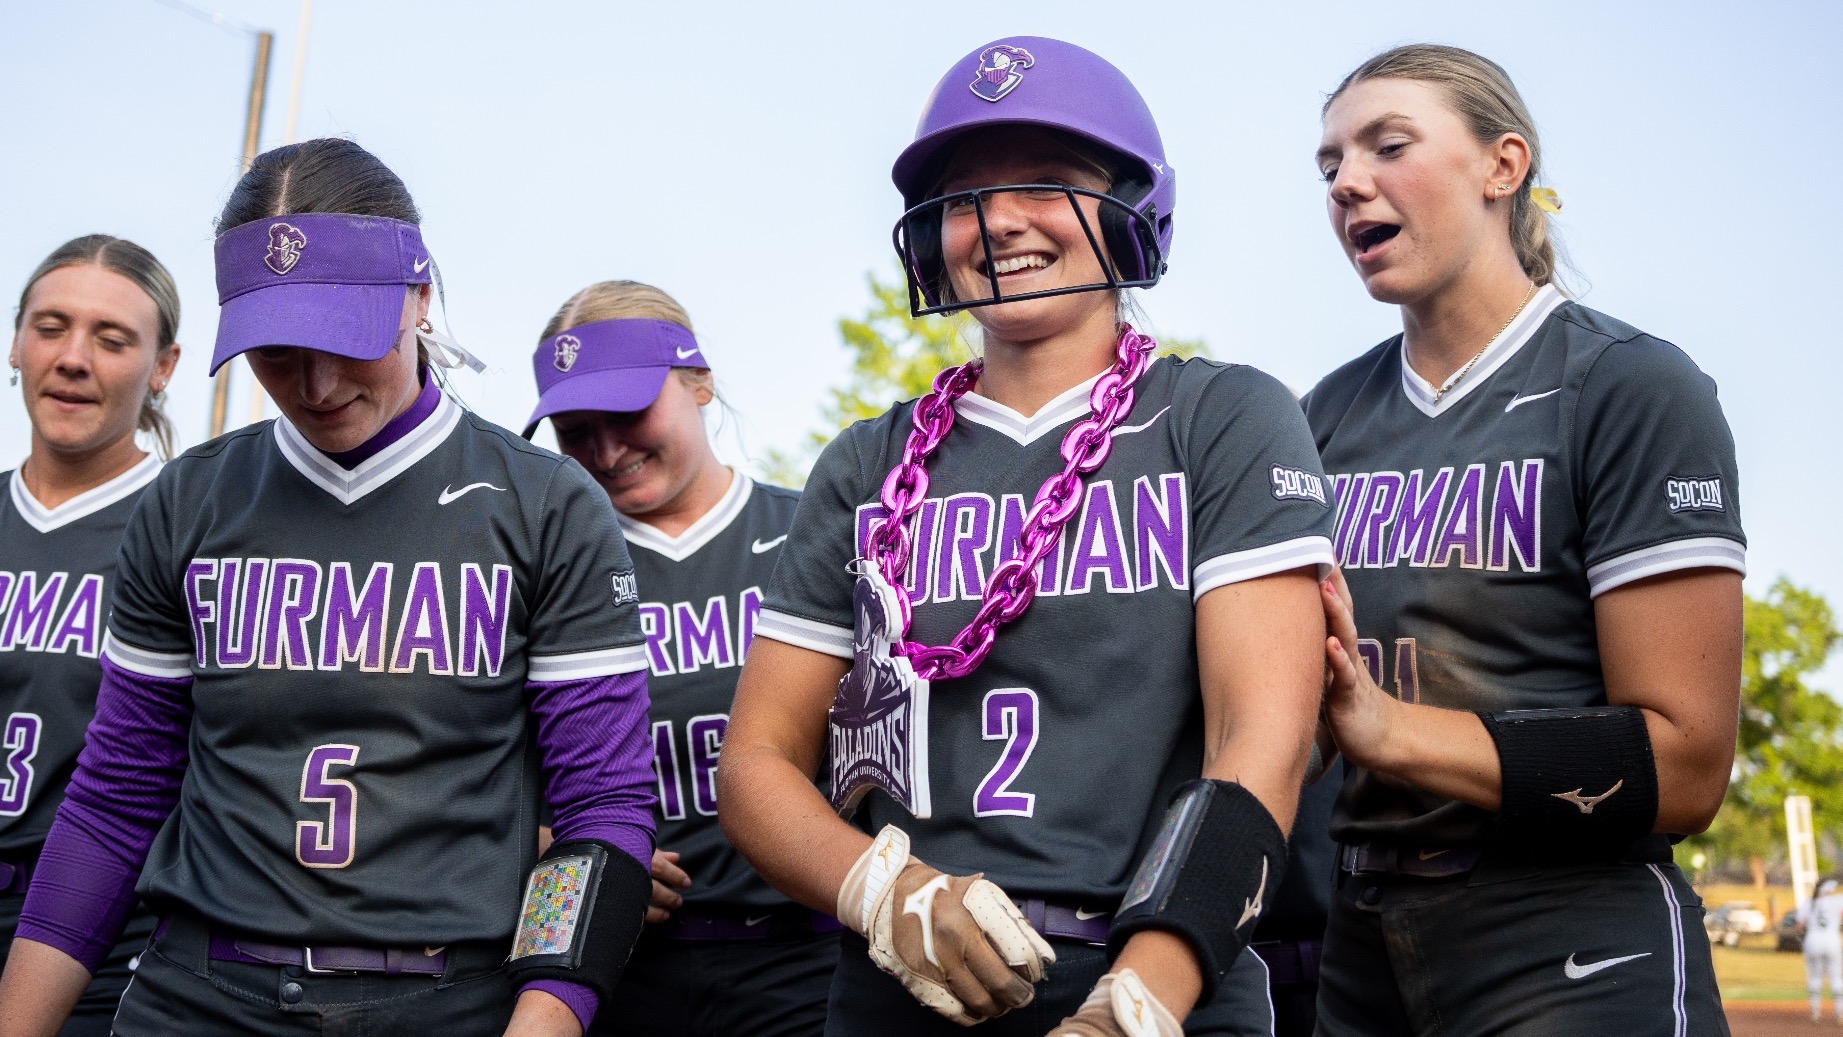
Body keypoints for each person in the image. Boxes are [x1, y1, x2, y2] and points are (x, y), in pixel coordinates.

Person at [719, 37, 1335, 1037]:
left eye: (1045, 183)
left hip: (1163, 965)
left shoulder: (1219, 417)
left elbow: (1259, 743)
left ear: (1134, 209)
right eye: (963, 198)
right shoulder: (863, 461)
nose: (998, 220)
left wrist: (1135, 1003)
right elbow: (756, 765)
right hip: (903, 983)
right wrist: (886, 891)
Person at [0, 138, 657, 1037]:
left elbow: (600, 814)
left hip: (446, 998)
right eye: (274, 352)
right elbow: (115, 800)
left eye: (344, 340)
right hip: (200, 991)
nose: (314, 384)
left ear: (420, 295)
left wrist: (543, 1018)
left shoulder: (544, 503)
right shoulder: (191, 498)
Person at [1305, 44, 1745, 1035]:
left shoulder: (1629, 386)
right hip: (1360, 936)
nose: (1347, 182)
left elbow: (1687, 764)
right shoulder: (1319, 417)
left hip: (1566, 930)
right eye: (1328, 164)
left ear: (1503, 166)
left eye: (1387, 144)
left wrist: (1390, 730)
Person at [523, 280, 836, 1037]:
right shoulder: (547, 566)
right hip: (620, 966)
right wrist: (541, 844)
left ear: (699, 382)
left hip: (808, 956)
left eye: (628, 413)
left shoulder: (815, 533)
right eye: (575, 429)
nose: (605, 449)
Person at [1, 235, 182, 1035]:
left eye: (112, 340)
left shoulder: (196, 529)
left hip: (101, 935)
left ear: (164, 366)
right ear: (14, 341)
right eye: (50, 326)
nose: (73, 358)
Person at [1801, 880, 1843, 1023]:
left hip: (1812, 941)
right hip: (1833, 941)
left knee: (1814, 978)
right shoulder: (1838, 901)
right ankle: (1839, 1013)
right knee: (1836, 978)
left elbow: (1799, 925)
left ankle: (1815, 1012)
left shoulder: (1809, 903)